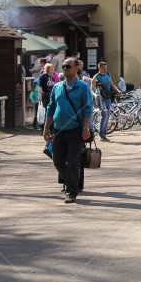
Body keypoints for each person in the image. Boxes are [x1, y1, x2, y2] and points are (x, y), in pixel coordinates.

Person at [44, 58, 93, 204]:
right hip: (58, 129)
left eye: (67, 66)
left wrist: (86, 128)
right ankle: (72, 181)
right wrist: (46, 128)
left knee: (73, 162)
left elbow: (88, 109)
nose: (64, 68)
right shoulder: (57, 87)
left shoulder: (83, 87)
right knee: (57, 160)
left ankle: (71, 192)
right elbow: (51, 108)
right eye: (63, 66)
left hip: (75, 130)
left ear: (76, 68)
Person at [91, 61, 122, 141]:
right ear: (99, 68)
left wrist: (117, 91)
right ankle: (101, 134)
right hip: (101, 99)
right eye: (103, 68)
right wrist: (95, 95)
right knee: (104, 115)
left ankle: (103, 133)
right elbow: (91, 90)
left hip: (108, 98)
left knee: (107, 116)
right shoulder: (96, 77)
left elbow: (111, 85)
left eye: (106, 68)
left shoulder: (108, 74)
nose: (105, 69)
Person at [36, 63, 57, 131]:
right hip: (45, 95)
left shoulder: (53, 76)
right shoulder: (43, 76)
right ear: (47, 69)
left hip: (52, 94)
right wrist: (39, 95)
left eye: (53, 69)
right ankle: (44, 127)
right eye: (51, 69)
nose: (53, 70)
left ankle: (52, 127)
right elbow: (40, 87)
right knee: (46, 110)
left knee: (52, 110)